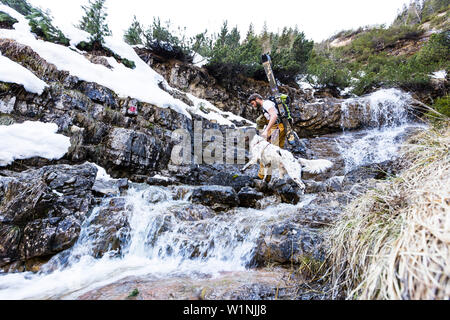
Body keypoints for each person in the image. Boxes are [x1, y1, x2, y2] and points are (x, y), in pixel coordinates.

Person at [248, 93, 286, 182]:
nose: (253, 105)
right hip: (279, 127)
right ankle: (279, 177)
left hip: (276, 128)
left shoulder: (266, 104)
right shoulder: (265, 106)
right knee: (277, 152)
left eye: (253, 103)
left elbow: (274, 116)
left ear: (257, 99)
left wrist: (266, 130)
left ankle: (264, 176)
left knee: (266, 152)